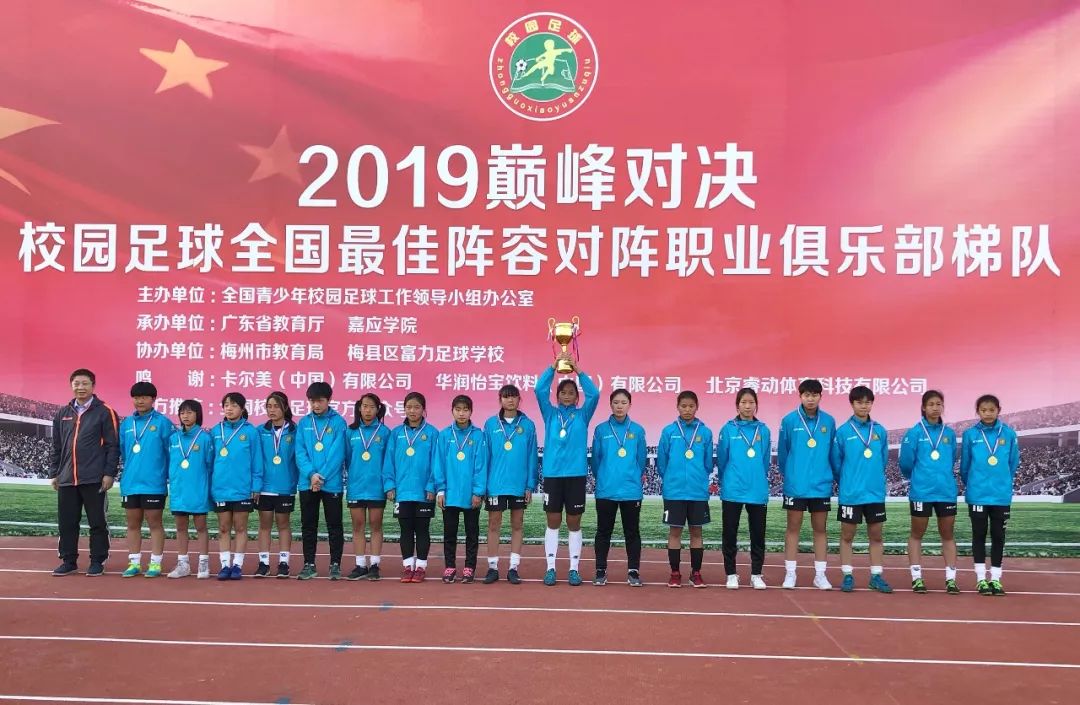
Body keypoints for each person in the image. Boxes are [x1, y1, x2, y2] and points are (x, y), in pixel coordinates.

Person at [534, 355, 600, 586]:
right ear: (558, 395)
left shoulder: (583, 415)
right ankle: (551, 568)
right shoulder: (550, 414)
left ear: (577, 396)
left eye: (572, 392)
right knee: (553, 521)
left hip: (576, 475)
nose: (567, 395)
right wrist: (553, 367)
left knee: (574, 522)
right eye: (563, 392)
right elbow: (539, 390)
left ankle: (573, 569)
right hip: (553, 475)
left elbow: (595, 394)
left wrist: (578, 370)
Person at [50, 368, 119, 577]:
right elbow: (56, 446)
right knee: (67, 522)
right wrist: (55, 472)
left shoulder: (105, 411)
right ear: (71, 385)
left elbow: (113, 446)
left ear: (93, 386)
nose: (80, 387)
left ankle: (97, 560)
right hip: (67, 478)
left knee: (97, 522)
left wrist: (109, 473)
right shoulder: (62, 413)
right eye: (76, 383)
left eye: (85, 383)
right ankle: (68, 560)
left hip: (94, 478)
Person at [776, 378, 836, 590]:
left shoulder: (829, 421)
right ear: (800, 396)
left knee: (820, 530)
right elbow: (783, 454)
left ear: (820, 396)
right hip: (796, 486)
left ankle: (820, 575)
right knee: (793, 529)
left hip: (821, 485)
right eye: (807, 395)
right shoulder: (789, 421)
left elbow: (832, 453)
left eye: (814, 395)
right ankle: (790, 573)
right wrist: (792, 475)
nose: (811, 399)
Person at [899, 390, 960, 594]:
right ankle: (917, 578)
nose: (935, 407)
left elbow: (951, 458)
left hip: (946, 491)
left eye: (939, 404)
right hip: (922, 492)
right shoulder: (914, 433)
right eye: (931, 404)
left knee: (948, 534)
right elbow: (906, 464)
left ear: (943, 407)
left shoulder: (949, 434)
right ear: (924, 408)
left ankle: (951, 579)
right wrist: (920, 478)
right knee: (917, 533)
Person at [831, 386, 891, 593]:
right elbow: (836, 464)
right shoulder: (843, 432)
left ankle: (876, 576)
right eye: (859, 402)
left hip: (874, 493)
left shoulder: (880, 431)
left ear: (872, 404)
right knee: (847, 536)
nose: (864, 406)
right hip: (851, 494)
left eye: (867, 402)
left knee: (876, 535)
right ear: (852, 404)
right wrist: (848, 481)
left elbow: (883, 460)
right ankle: (847, 575)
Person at [960, 394, 1020, 597]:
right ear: (978, 411)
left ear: (998, 410)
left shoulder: (1008, 434)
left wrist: (1002, 481)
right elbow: (965, 466)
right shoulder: (970, 434)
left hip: (1000, 495)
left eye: (991, 410)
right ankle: (980, 579)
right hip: (978, 494)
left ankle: (995, 579)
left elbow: (1013, 463)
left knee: (998, 536)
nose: (987, 413)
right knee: (978, 535)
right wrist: (974, 484)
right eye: (983, 410)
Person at [481, 384, 538, 585]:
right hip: (495, 484)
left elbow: (532, 457)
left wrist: (530, 485)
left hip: (518, 485)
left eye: (513, 396)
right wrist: (483, 486)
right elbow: (485, 457)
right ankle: (492, 567)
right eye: (506, 397)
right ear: (500, 400)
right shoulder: (490, 424)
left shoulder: (528, 425)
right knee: (493, 524)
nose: (510, 400)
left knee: (517, 524)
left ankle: (513, 568)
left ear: (519, 399)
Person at [590, 388, 647, 587]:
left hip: (631, 491)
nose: (619, 406)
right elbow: (596, 460)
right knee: (603, 531)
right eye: (616, 402)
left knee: (632, 532)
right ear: (610, 405)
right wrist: (604, 477)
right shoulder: (601, 430)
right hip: (606, 490)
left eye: (623, 402)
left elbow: (641, 460)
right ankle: (600, 570)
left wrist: (632, 477)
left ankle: (633, 571)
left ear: (629, 405)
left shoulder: (637, 430)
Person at [657, 391, 714, 588]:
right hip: (674, 492)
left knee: (696, 532)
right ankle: (675, 573)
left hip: (697, 491)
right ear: (677, 407)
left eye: (691, 406)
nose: (687, 410)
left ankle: (696, 573)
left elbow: (708, 463)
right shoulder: (668, 431)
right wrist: (671, 478)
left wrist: (699, 477)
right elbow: (662, 462)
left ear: (697, 407)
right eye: (683, 406)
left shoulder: (705, 432)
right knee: (675, 532)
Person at [117, 382, 174, 578]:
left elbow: (170, 453)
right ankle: (134, 563)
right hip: (130, 483)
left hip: (154, 484)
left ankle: (155, 563)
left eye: (144, 397)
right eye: (136, 397)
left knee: (154, 524)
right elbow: (124, 452)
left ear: (153, 399)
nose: (139, 401)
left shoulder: (163, 423)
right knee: (133, 524)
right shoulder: (127, 424)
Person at [717, 388, 771, 590]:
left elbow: (765, 460)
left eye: (751, 402)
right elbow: (722, 460)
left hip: (757, 490)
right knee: (730, 533)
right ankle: (731, 574)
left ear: (756, 405)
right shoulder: (728, 429)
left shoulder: (763, 430)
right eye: (743, 402)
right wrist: (729, 479)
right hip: (733, 489)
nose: (747, 406)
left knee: (758, 534)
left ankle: (756, 574)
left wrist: (756, 476)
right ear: (737, 405)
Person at [295, 382, 348, 581]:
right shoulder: (303, 423)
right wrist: (311, 474)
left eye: (320, 401)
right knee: (308, 525)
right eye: (312, 401)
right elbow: (300, 452)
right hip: (307, 482)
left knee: (334, 525)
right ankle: (309, 564)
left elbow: (338, 454)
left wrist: (321, 476)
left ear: (329, 400)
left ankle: (335, 564)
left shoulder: (338, 422)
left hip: (330, 483)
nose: (316, 405)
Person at [386, 391, 438, 582]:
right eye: (409, 407)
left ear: (423, 409)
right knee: (406, 529)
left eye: (417, 407)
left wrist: (432, 486)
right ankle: (408, 566)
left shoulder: (432, 433)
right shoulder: (396, 433)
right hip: (402, 491)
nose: (413, 411)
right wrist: (390, 485)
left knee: (422, 529)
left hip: (424, 492)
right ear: (404, 409)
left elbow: (436, 462)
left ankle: (421, 567)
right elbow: (389, 461)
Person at [435, 395, 487, 583]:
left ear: (471, 412)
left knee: (472, 533)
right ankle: (449, 567)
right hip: (450, 494)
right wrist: (441, 490)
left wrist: (478, 492)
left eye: (465, 409)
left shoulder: (478, 435)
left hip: (470, 494)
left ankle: (469, 568)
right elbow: (439, 464)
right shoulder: (444, 435)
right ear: (452, 411)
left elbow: (481, 465)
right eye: (458, 409)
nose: (461, 413)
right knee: (450, 533)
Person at [211, 392, 263, 580]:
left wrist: (256, 485)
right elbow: (210, 461)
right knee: (224, 528)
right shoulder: (216, 431)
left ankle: (237, 565)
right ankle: (225, 565)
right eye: (226, 405)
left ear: (242, 408)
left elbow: (257, 461)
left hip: (242, 489)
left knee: (241, 527)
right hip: (221, 488)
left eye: (233, 405)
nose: (229, 408)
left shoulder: (251, 432)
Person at [344, 393, 392, 581]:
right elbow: (347, 458)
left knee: (375, 525)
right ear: (359, 408)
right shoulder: (351, 432)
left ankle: (374, 564)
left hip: (376, 487)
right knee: (358, 525)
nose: (368, 410)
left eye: (372, 407)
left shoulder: (385, 432)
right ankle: (360, 565)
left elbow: (388, 461)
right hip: (356, 486)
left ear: (378, 409)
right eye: (365, 406)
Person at [166, 400, 212, 579]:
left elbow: (209, 465)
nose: (185, 416)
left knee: (201, 526)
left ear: (197, 415)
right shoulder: (173, 438)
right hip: (179, 490)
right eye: (182, 412)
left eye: (190, 412)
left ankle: (203, 563)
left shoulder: (204, 438)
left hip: (198, 489)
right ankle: (183, 564)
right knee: (181, 527)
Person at [255, 391, 298, 578]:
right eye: (269, 406)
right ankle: (263, 563)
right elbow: (256, 459)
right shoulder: (260, 431)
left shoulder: (295, 431)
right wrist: (256, 485)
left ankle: (283, 563)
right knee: (264, 525)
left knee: (283, 524)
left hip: (285, 486)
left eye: (276, 406)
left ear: (285, 408)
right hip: (264, 487)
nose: (272, 410)